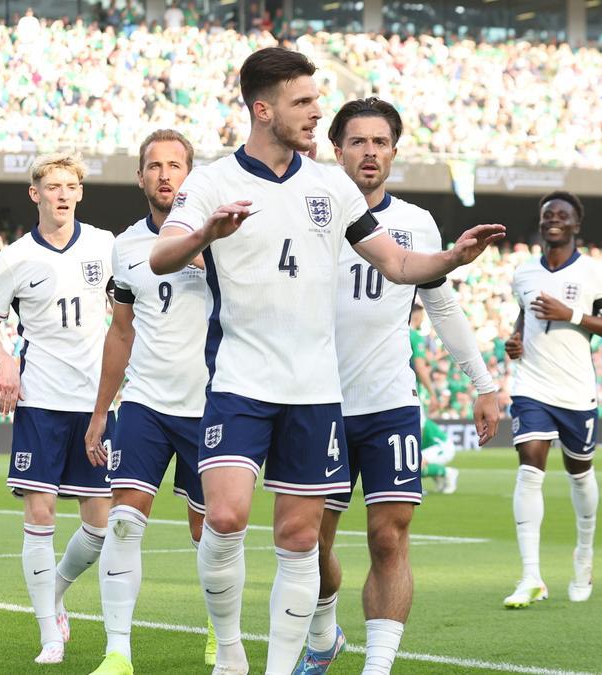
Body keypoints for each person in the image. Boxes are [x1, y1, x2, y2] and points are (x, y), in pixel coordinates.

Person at [148, 47, 504, 675]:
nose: (318, 112)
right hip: (240, 380)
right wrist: (207, 234)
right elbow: (161, 256)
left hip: (316, 392)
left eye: (317, 99)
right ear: (264, 109)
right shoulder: (212, 182)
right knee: (225, 517)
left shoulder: (330, 185)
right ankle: (230, 651)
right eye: (305, 102)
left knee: (299, 540)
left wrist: (451, 258)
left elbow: (397, 264)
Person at [295, 97, 501, 675]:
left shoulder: (415, 222)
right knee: (308, 542)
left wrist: (483, 384)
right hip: (318, 403)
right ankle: (323, 631)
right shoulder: (309, 213)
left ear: (393, 152)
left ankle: (377, 667)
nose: (369, 152)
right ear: (336, 150)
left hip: (389, 403)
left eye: (380, 142)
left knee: (390, 537)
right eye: (357, 142)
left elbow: (440, 303)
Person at [0, 152, 116, 665]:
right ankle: (49, 634)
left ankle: (54, 590)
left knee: (100, 528)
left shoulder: (106, 246)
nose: (62, 193)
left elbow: (126, 313)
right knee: (39, 514)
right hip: (38, 401)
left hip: (95, 404)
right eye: (52, 186)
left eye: (70, 186)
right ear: (35, 194)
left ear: (80, 193)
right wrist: (5, 363)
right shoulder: (14, 258)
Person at [85, 130, 214, 675]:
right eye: (154, 166)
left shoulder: (220, 240)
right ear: (140, 177)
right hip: (144, 404)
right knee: (123, 522)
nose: (165, 174)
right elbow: (121, 333)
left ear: (191, 175)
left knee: (211, 532)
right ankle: (118, 652)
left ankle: (220, 634)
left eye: (175, 165)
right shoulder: (125, 246)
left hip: (211, 404)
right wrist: (100, 414)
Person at [502, 191, 602, 608]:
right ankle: (530, 576)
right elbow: (524, 314)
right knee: (529, 470)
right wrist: (516, 340)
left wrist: (570, 314)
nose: (553, 220)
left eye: (562, 215)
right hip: (531, 386)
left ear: (576, 225)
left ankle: (584, 554)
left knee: (579, 474)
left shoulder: (594, 273)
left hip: (576, 391)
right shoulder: (522, 273)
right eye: (547, 215)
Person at [419, 416, 459, 494]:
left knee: (416, 464)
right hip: (433, 447)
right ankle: (439, 478)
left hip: (442, 447)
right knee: (413, 463)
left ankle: (448, 472)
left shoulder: (417, 418)